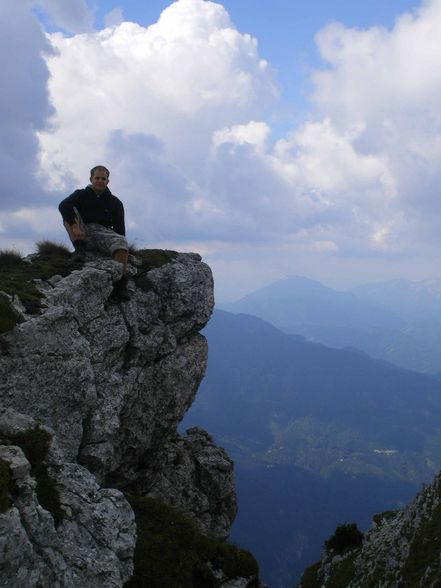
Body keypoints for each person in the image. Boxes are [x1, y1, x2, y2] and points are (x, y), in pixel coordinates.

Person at [59, 165, 130, 299]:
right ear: (91, 179)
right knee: (68, 213)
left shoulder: (115, 203)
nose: (100, 181)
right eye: (97, 178)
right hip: (82, 230)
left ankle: (120, 284)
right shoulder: (81, 194)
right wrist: (75, 226)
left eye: (103, 178)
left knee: (121, 242)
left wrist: (122, 246)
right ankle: (79, 251)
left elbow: (120, 230)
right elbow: (63, 205)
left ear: (108, 181)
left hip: (103, 233)